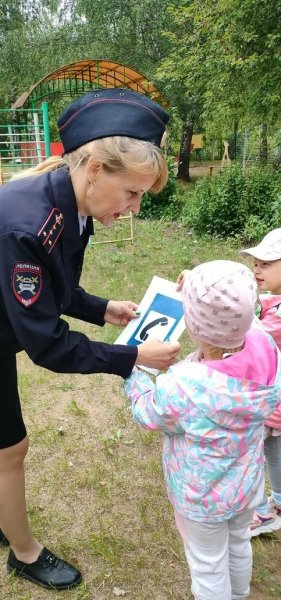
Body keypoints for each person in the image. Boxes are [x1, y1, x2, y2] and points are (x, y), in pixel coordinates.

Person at [0, 88, 181, 590]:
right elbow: (48, 345)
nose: (134, 207)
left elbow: (54, 286)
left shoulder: (71, 205)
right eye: (132, 193)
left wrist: (101, 309)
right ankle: (24, 551)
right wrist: (131, 356)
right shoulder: (26, 224)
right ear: (96, 169)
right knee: (9, 449)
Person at [124, 260, 281, 600]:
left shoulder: (185, 386)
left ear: (192, 326)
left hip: (202, 498)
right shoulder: (266, 348)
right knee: (238, 544)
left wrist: (132, 367)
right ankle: (238, 594)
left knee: (208, 564)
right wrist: (194, 283)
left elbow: (147, 412)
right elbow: (240, 315)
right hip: (247, 485)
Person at [241, 228, 281, 536]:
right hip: (272, 400)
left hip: (274, 405)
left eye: (266, 264)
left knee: (264, 454)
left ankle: (271, 509)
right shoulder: (274, 303)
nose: (257, 268)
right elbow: (262, 304)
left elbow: (250, 332)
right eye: (256, 263)